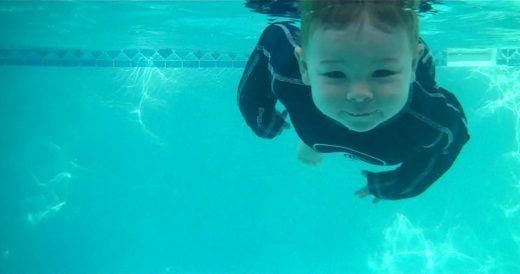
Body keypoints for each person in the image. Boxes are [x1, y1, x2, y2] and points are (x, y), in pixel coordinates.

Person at [237, 0, 469, 201]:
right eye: (335, 74)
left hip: (400, 79)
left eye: (382, 73)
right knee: (317, 121)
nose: (359, 94)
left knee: (321, 118)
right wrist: (259, 116)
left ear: (412, 67)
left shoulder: (429, 119)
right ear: (304, 67)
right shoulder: (291, 76)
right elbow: (273, 39)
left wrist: (394, 187)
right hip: (318, 118)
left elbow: (450, 145)